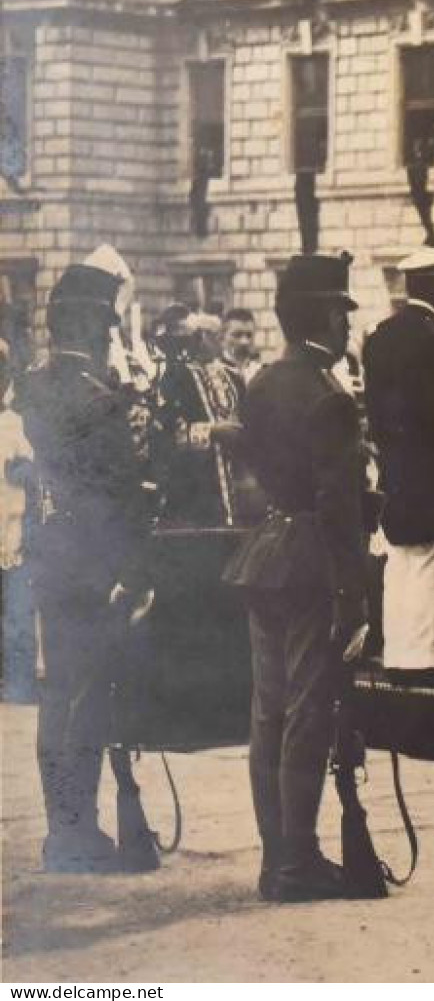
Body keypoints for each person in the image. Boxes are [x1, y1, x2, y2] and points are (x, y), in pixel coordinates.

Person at [222, 253, 371, 902]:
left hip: (266, 554)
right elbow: (341, 507)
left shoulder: (261, 382)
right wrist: (355, 596)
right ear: (320, 316)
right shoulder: (327, 395)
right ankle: (299, 862)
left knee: (269, 711)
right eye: (341, 311)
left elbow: (257, 474)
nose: (346, 324)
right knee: (308, 711)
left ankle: (275, 856)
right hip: (313, 561)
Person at [18, 263, 156, 872]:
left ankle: (62, 827)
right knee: (92, 693)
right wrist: (135, 570)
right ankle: (80, 832)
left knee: (59, 695)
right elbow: (124, 493)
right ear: (100, 325)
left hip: (47, 558)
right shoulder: (100, 401)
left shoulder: (31, 387)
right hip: (97, 566)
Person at [363, 247, 434, 671]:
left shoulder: (380, 336)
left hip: (396, 479)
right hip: (432, 485)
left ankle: (399, 660)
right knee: (433, 583)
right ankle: (428, 667)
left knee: (400, 576)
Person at [151, 307, 245, 527]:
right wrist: (212, 432)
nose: (205, 340)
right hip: (195, 490)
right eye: (200, 335)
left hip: (238, 488)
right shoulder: (175, 377)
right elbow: (164, 435)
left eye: (213, 335)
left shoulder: (233, 377)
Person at [0, 339, 38, 703]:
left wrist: (22, 469)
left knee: (17, 614)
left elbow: (33, 467)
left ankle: (19, 683)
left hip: (11, 529)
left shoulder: (14, 423)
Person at [222, 308, 262, 384]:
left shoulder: (261, 373)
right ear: (222, 337)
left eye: (249, 335)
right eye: (237, 335)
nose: (244, 342)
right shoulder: (211, 374)